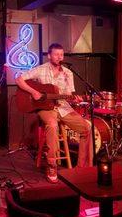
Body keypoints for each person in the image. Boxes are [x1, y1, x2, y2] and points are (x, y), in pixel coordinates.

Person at [15, 43, 93, 183]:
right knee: (52, 125)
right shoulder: (41, 70)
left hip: (63, 106)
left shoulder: (68, 73)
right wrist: (34, 92)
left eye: (61, 54)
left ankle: (82, 167)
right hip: (45, 108)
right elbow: (19, 79)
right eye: (56, 54)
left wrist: (75, 99)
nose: (59, 57)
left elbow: (69, 94)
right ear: (49, 55)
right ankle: (52, 165)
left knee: (87, 128)